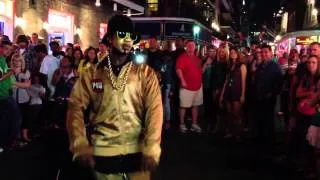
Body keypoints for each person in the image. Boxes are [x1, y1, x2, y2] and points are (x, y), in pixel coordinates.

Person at [67, 15, 163, 180]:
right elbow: (75, 108)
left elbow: (155, 111)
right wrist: (80, 145)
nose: (127, 40)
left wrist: (152, 149)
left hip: (138, 154)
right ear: (110, 38)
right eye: (122, 35)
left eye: (131, 37)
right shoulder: (92, 74)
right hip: (103, 153)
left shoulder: (145, 74)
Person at [176, 40, 203, 133]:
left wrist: (206, 64)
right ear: (186, 47)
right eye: (189, 45)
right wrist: (182, 80)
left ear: (195, 47)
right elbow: (178, 70)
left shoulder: (197, 58)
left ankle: (194, 124)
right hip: (186, 87)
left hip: (198, 87)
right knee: (183, 106)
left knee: (196, 106)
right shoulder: (182, 58)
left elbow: (200, 71)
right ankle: (182, 124)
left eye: (193, 45)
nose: (191, 47)